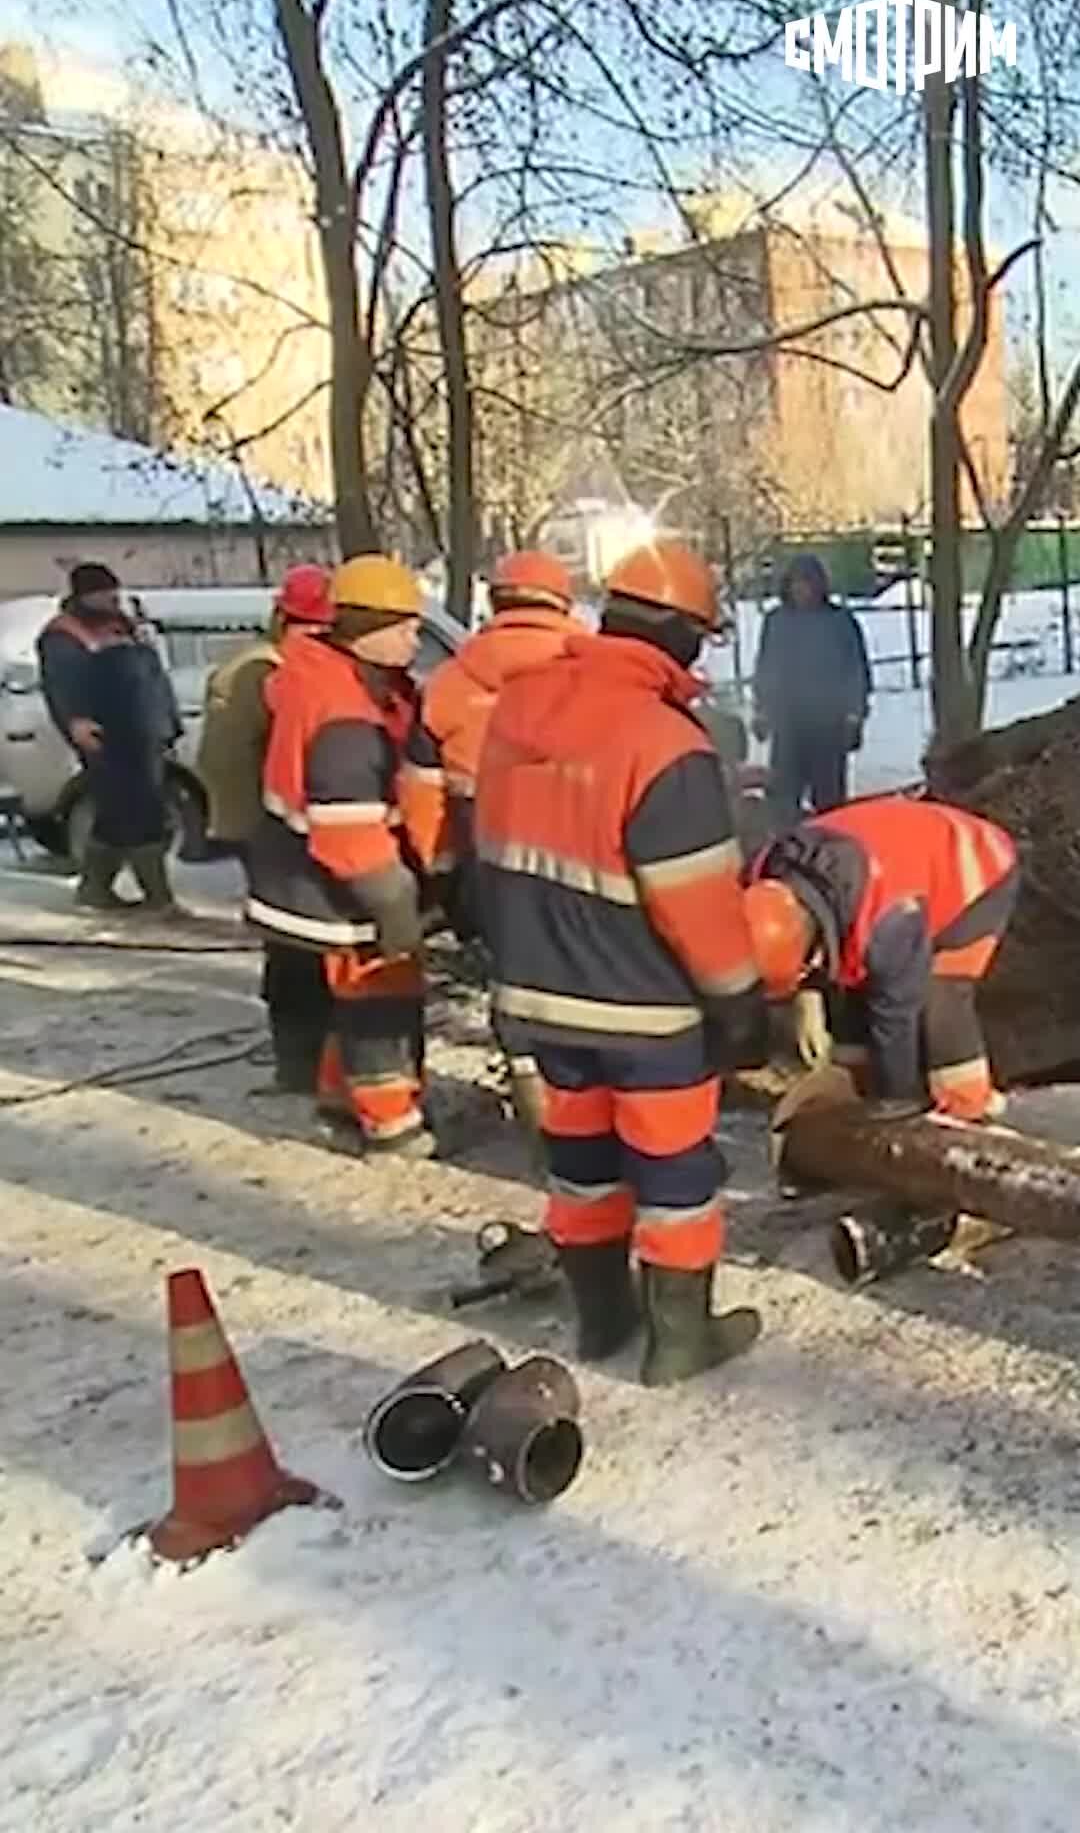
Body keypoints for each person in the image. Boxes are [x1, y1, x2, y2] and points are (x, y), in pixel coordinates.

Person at [474, 540, 769, 1387]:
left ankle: (600, 1321)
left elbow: (487, 845)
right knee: (675, 1173)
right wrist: (741, 1003)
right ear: (682, 635)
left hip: (536, 993)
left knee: (581, 1166)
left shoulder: (518, 713)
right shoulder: (663, 740)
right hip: (645, 1009)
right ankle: (679, 1341)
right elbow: (698, 902)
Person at [246, 554, 435, 1159]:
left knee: (352, 996)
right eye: (404, 626)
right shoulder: (345, 713)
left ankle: (337, 1098)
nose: (415, 637)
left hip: (305, 875)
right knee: (381, 995)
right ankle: (391, 1123)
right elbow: (349, 835)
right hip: (335, 884)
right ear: (366, 630)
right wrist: (396, 903)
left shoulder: (336, 680)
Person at [401, 549, 579, 1151]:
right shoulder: (590, 666)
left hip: (488, 850)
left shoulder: (451, 682)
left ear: (495, 604)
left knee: (517, 978)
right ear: (562, 602)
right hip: (580, 842)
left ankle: (538, 1116)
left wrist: (442, 877)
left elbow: (423, 795)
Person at [743, 795, 1020, 1122]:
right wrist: (808, 995)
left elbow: (896, 1015)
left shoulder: (889, 921)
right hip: (888, 857)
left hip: (975, 865)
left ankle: (968, 1111)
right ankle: (858, 1084)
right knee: (853, 983)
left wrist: (896, 1100)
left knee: (940, 1000)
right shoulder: (760, 875)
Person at [196, 564, 335, 1092]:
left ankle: (298, 1062)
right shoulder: (285, 670)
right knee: (306, 951)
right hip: (284, 829)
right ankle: (308, 1066)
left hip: (255, 826)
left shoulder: (248, 663)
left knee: (286, 948)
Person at [38, 562, 182, 914]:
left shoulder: (126, 627)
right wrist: (76, 721)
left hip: (142, 730)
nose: (112, 597)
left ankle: (96, 890)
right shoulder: (66, 634)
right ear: (85, 595)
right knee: (135, 810)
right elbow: (61, 684)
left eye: (113, 591)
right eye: (104, 592)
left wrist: (168, 722)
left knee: (127, 812)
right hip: (108, 734)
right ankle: (156, 897)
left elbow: (152, 679)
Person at [752, 553, 872, 828]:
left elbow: (856, 669)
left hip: (828, 723)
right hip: (788, 722)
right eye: (796, 583)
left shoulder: (839, 622)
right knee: (782, 798)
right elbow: (766, 667)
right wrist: (761, 710)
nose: (802, 590)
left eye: (808, 583)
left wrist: (855, 715)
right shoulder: (777, 622)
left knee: (829, 801)